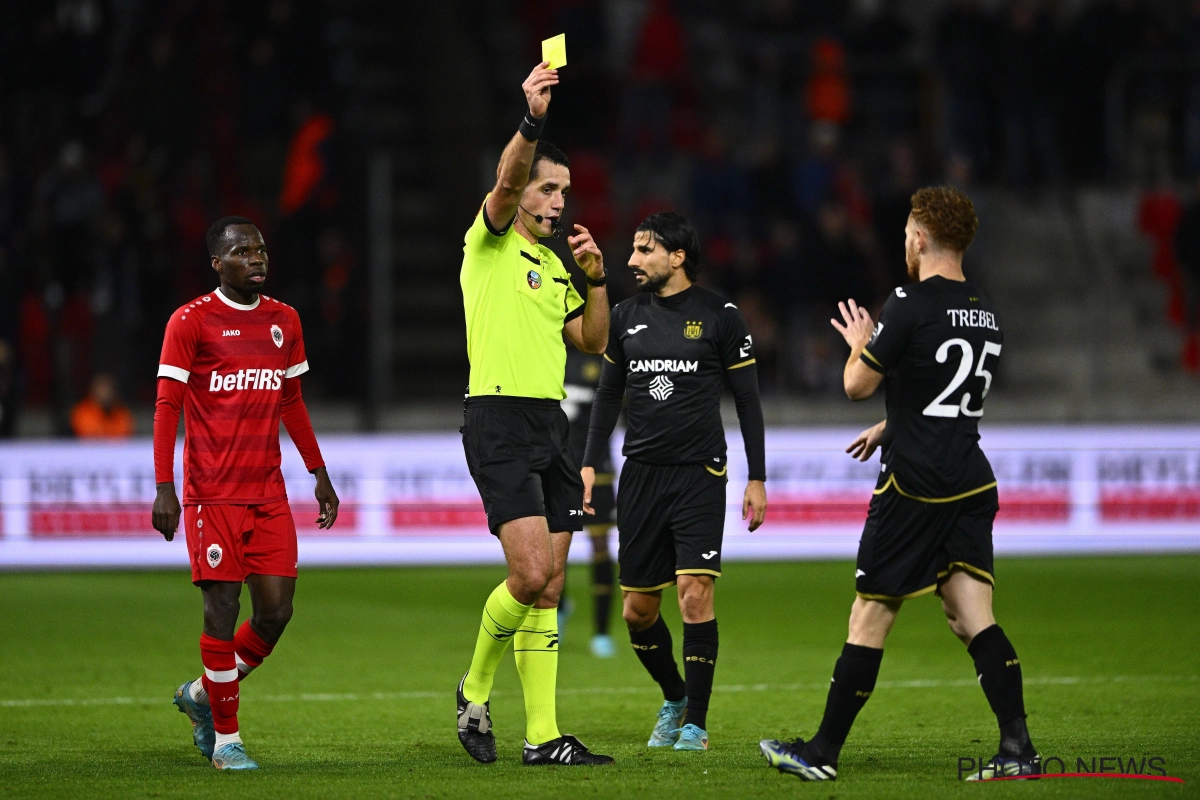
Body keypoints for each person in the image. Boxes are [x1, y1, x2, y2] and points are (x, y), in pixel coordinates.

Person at [759, 187, 1038, 781]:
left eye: (908, 230)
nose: (903, 240)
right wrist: (894, 424)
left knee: (870, 615)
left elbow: (855, 384)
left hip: (915, 486)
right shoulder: (984, 309)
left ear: (920, 237)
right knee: (971, 616)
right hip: (968, 480)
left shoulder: (908, 301)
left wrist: (860, 343)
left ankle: (821, 753)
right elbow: (947, 397)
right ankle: (1018, 749)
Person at [456, 62, 613, 767]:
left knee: (549, 584)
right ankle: (474, 688)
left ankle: (543, 736)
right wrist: (531, 119)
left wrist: (598, 279)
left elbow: (592, 340)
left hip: (552, 426)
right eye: (548, 188)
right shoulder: (488, 243)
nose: (556, 201)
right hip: (497, 421)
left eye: (564, 191)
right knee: (525, 576)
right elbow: (505, 183)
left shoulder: (554, 267)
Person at [151, 216, 339, 771]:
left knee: (276, 612)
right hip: (212, 494)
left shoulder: (285, 320)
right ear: (217, 263)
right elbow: (168, 407)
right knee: (221, 607)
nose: (256, 258)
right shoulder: (191, 322)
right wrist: (164, 487)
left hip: (268, 492)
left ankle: (205, 693)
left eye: (259, 249)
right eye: (241, 251)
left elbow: (291, 401)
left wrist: (318, 470)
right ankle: (227, 740)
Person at [582, 212, 768, 752]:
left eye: (645, 250)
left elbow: (749, 402)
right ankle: (675, 696)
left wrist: (757, 477)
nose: (633, 260)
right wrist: (591, 464)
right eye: (634, 250)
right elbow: (608, 396)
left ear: (678, 257)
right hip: (640, 475)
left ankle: (697, 725)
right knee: (637, 611)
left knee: (693, 595)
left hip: (699, 475)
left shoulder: (720, 316)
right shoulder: (624, 316)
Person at [561, 344, 618, 658]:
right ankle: (558, 607)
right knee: (557, 544)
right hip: (558, 467)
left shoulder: (605, 362)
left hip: (597, 468)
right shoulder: (548, 354)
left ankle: (601, 633)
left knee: (600, 546)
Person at [70, 373, 135, 438]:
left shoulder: (122, 413)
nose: (105, 392)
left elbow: (124, 435)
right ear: (93, 390)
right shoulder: (82, 412)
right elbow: (86, 435)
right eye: (101, 387)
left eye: (108, 388)